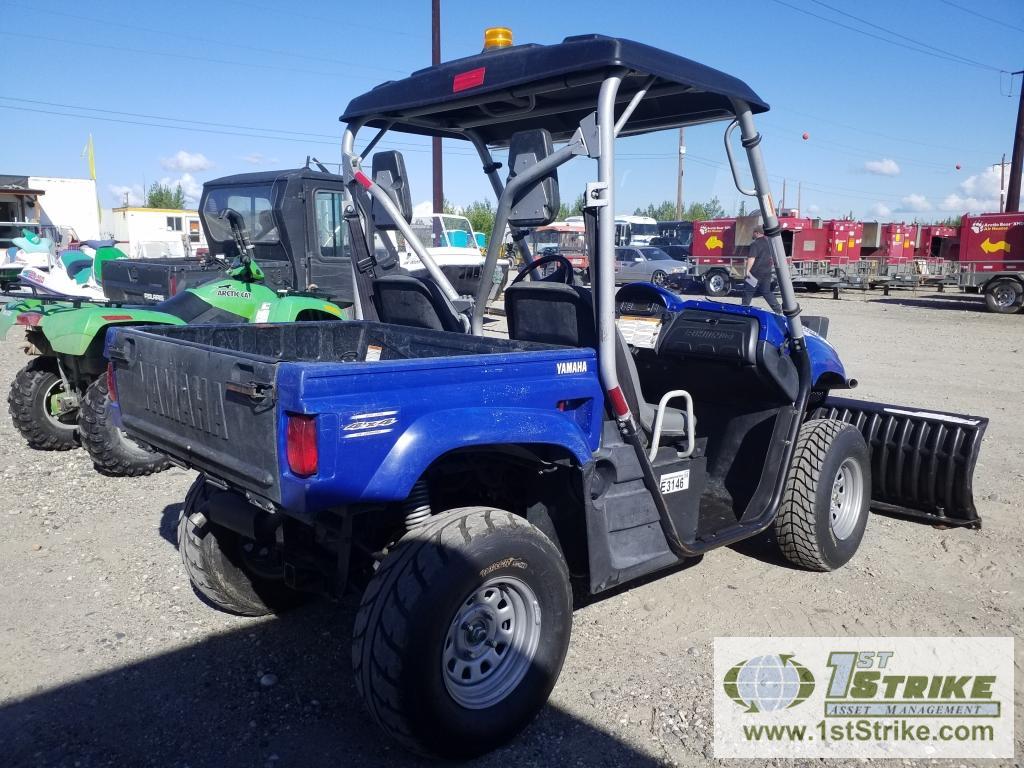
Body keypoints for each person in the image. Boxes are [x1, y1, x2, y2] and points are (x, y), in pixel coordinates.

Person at [742, 225, 782, 313]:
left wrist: (747, 271)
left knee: (748, 292)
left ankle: (743, 310)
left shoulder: (755, 244)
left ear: (757, 233)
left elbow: (752, 258)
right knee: (766, 292)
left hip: (754, 273)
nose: (752, 234)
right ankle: (778, 309)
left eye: (753, 233)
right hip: (767, 272)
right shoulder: (769, 243)